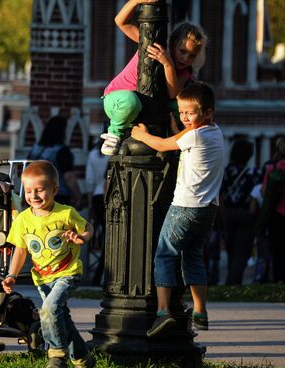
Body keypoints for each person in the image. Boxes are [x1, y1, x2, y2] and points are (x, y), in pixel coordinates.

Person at [131, 82, 224, 337]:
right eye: (182, 112)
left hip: (185, 206)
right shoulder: (215, 133)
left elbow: (161, 145)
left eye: (190, 113)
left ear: (208, 113)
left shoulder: (195, 135)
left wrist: (141, 136)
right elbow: (181, 139)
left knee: (165, 255)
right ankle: (200, 311)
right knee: (192, 256)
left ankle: (163, 312)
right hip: (208, 210)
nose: (184, 117)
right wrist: (178, 126)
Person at [2, 160, 94, 368]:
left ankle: (56, 355)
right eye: (28, 191)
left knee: (49, 309)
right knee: (59, 315)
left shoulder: (65, 213)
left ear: (55, 189)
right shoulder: (23, 220)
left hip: (67, 272)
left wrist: (83, 237)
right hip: (42, 277)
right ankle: (82, 358)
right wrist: (11, 275)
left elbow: (88, 227)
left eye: (40, 190)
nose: (33, 196)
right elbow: (20, 250)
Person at [100, 0, 208, 155]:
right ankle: (114, 133)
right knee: (130, 102)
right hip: (119, 98)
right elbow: (121, 21)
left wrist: (168, 64)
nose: (185, 58)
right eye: (182, 51)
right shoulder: (152, 45)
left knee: (182, 105)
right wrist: (137, 1)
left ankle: (180, 139)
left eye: (192, 56)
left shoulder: (185, 72)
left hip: (145, 107)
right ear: (172, 44)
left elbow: (174, 94)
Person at [219, 140, 260, 285]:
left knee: (230, 249)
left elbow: (221, 196)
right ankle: (233, 283)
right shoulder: (254, 173)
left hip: (228, 213)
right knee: (242, 252)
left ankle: (231, 282)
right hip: (245, 215)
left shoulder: (225, 171)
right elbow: (257, 196)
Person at [28, 115, 81, 208]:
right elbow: (69, 177)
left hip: (34, 194)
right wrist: (78, 196)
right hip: (58, 195)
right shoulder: (62, 150)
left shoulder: (35, 149)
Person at [259, 137, 285, 283]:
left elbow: (264, 192)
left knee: (277, 251)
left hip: (277, 214)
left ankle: (277, 280)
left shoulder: (272, 168)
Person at [84, 136, 110, 285]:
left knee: (104, 236)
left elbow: (89, 180)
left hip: (96, 196)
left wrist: (90, 204)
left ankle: (98, 276)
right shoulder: (113, 152)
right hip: (107, 196)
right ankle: (100, 275)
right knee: (109, 238)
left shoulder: (94, 154)